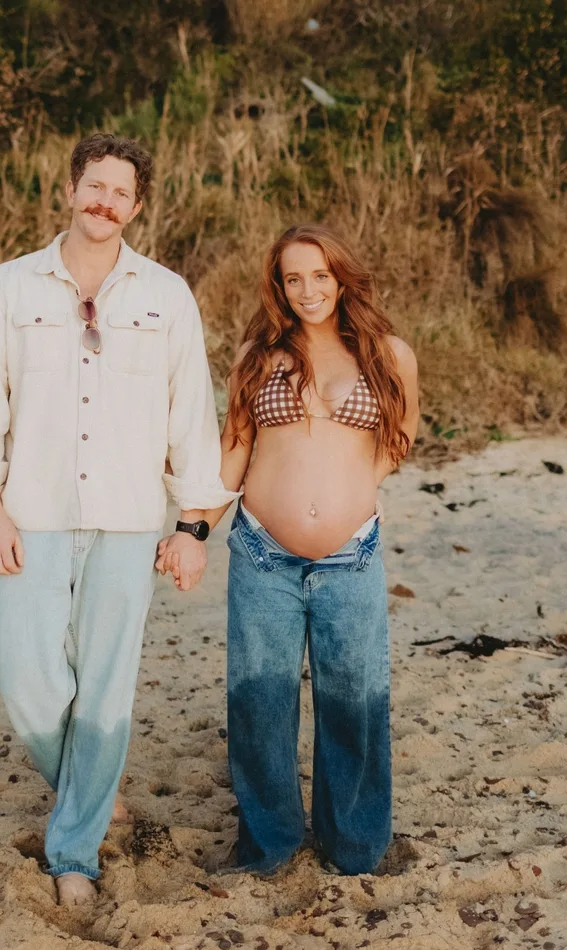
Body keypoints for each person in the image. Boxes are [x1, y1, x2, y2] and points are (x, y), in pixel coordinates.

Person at [0, 134, 239, 905]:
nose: (104, 201)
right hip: (31, 512)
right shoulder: (10, 287)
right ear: (70, 190)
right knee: (25, 673)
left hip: (128, 518)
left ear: (136, 206)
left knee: (106, 690)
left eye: (120, 192)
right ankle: (91, 785)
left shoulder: (166, 295)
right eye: (94, 186)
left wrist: (193, 526)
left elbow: (191, 417)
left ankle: (73, 854)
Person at [158, 224, 419, 875]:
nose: (307, 290)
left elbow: (400, 435)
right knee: (259, 707)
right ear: (278, 285)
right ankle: (267, 846)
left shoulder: (389, 354)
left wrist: (357, 488)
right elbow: (233, 454)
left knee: (353, 705)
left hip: (350, 560)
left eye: (319, 276)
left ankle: (355, 847)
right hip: (263, 556)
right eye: (292, 277)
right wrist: (191, 530)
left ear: (341, 278)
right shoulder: (257, 355)